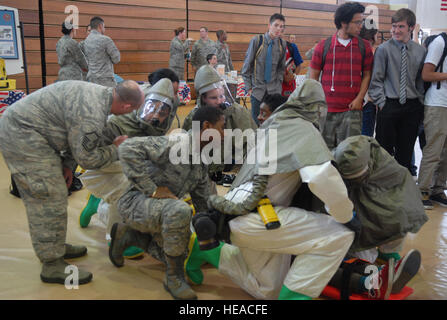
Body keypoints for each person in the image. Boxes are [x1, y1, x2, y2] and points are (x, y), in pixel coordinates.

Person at [185, 79, 360, 300]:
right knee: (339, 234)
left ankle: (209, 251)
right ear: (316, 109)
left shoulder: (271, 125)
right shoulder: (303, 128)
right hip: (261, 219)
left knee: (269, 292)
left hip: (234, 218)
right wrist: (346, 215)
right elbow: (321, 176)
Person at [0, 80, 144, 285]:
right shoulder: (92, 113)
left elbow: (73, 135)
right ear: (126, 107)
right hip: (22, 134)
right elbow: (88, 159)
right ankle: (51, 263)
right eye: (133, 110)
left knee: (57, 190)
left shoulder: (101, 96)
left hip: (35, 132)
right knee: (48, 195)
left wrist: (68, 164)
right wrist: (116, 149)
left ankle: (54, 245)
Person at [109, 106, 225, 300]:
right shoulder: (177, 142)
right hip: (135, 203)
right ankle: (174, 277)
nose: (224, 133)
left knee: (185, 251)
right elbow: (128, 148)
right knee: (180, 211)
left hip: (160, 210)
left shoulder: (200, 161)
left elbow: (204, 204)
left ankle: (129, 236)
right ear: (207, 126)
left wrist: (220, 220)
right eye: (222, 127)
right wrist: (151, 189)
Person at [79, 70, 180, 258]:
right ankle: (115, 238)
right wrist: (117, 149)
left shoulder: (164, 113)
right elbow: (88, 156)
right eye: (153, 107)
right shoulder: (117, 119)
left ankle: (96, 203)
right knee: (128, 190)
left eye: (163, 110)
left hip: (123, 162)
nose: (156, 114)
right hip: (99, 166)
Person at [333, 136, 427, 273]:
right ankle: (365, 277)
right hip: (351, 223)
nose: (357, 180)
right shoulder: (332, 167)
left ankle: (387, 253)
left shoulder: (383, 161)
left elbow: (402, 189)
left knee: (402, 214)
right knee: (363, 259)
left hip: (372, 210)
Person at [368, 8, 426, 173]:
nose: (395, 30)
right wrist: (382, 103)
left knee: (406, 153)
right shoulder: (383, 50)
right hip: (389, 104)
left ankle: (400, 190)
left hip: (412, 107)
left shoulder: (420, 51)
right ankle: (381, 189)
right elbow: (376, 79)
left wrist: (420, 103)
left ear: (411, 28)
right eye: (394, 26)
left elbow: (420, 81)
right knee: (383, 151)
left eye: (400, 27)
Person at [310, 2, 374, 150]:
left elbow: (367, 74)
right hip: (326, 112)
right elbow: (312, 79)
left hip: (352, 112)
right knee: (325, 155)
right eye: (357, 22)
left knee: (350, 156)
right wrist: (317, 104)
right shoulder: (323, 46)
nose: (361, 26)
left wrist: (359, 99)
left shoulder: (364, 47)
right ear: (343, 23)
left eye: (361, 22)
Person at [182, 65, 257, 187]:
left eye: (221, 96)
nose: (219, 101)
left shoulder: (238, 113)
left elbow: (254, 144)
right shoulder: (194, 117)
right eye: (213, 98)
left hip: (235, 169)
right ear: (203, 99)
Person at [417, 32, 447, 209]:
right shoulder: (439, 42)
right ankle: (422, 191)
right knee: (434, 150)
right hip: (437, 103)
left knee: (446, 153)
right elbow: (426, 74)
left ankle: (438, 190)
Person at [241, 13, 287, 125]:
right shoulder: (257, 41)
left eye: (281, 27)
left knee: (273, 124)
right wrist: (249, 88)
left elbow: (281, 68)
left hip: (274, 91)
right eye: (276, 25)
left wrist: (279, 84)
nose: (278, 29)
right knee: (257, 124)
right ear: (269, 25)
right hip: (257, 91)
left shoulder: (282, 44)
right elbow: (247, 67)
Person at [82, 16, 121, 87]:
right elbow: (116, 59)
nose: (104, 29)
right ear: (100, 26)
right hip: (106, 80)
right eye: (104, 27)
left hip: (92, 80)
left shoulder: (86, 41)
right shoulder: (106, 40)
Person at [359, 19, 379, 137]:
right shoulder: (373, 51)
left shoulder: (354, 48)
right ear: (373, 34)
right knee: (365, 139)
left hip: (353, 98)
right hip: (368, 99)